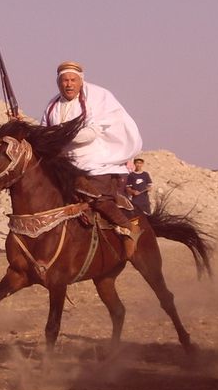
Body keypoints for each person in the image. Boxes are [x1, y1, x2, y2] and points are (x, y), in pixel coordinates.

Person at [41, 61, 143, 259]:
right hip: (65, 164)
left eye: (72, 80)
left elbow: (89, 134)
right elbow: (44, 131)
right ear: (58, 83)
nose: (68, 84)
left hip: (96, 161)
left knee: (96, 199)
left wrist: (59, 135)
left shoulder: (98, 98)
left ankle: (129, 228)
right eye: (64, 81)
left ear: (81, 81)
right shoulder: (52, 105)